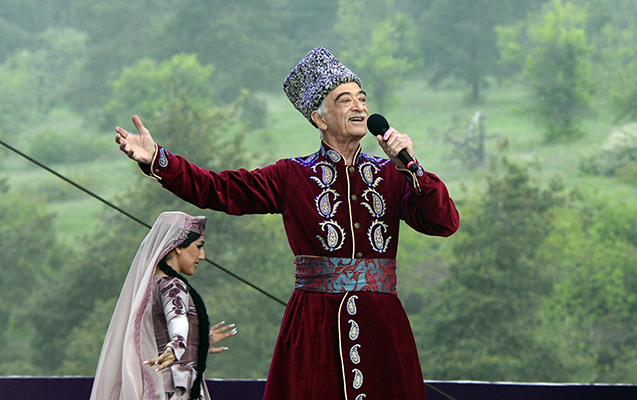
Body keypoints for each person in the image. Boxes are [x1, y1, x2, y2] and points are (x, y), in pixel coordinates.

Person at [115, 47, 459, 399]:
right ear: (319, 118)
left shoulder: (393, 174)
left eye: (362, 98)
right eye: (345, 100)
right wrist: (158, 159)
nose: (359, 107)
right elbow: (218, 189)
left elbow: (444, 222)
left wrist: (413, 168)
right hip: (315, 328)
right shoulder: (292, 175)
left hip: (382, 330)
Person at [90, 211, 237, 400]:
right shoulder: (172, 285)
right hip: (175, 388)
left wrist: (199, 342)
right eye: (199, 246)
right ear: (178, 246)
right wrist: (177, 345)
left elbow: (164, 328)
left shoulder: (151, 285)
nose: (202, 256)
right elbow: (177, 318)